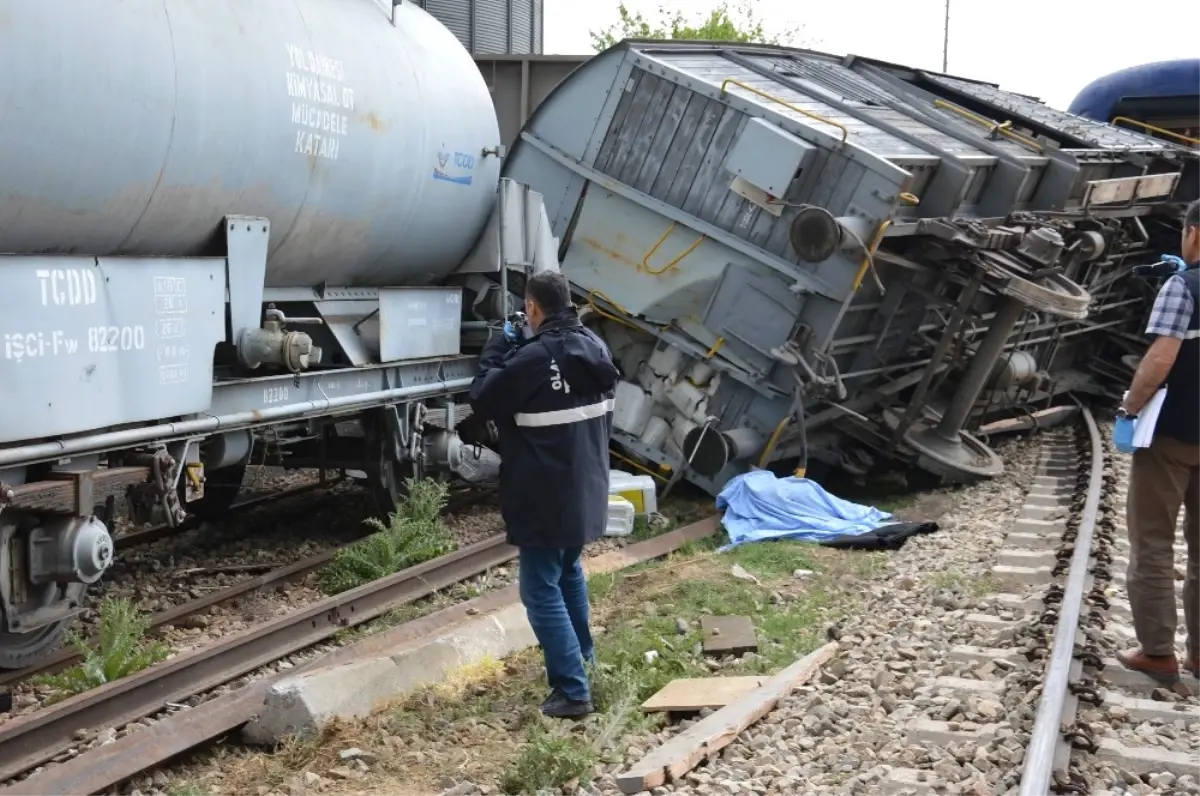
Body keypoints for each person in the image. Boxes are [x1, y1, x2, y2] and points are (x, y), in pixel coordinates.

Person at [467, 270, 619, 717]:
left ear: (532, 309)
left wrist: (499, 345)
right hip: (586, 486)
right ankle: (584, 666)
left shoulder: (533, 359)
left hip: (544, 493)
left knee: (539, 589)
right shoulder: (595, 346)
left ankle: (572, 691)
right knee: (568, 570)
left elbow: (484, 396)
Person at [1116, 198, 1200, 682]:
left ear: (1193, 233)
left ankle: (1158, 651)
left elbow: (1160, 358)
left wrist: (1130, 406)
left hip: (1173, 434)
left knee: (1153, 541)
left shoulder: (1182, 285)